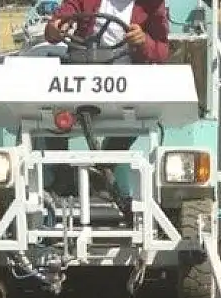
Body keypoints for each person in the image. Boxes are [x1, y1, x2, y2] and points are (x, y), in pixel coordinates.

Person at [41, 0, 170, 218]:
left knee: (133, 120)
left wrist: (143, 40)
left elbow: (162, 50)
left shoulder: (151, 5)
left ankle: (106, 167)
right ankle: (61, 173)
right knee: (49, 112)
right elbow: (54, 30)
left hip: (124, 77)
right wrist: (55, 27)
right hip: (81, 72)